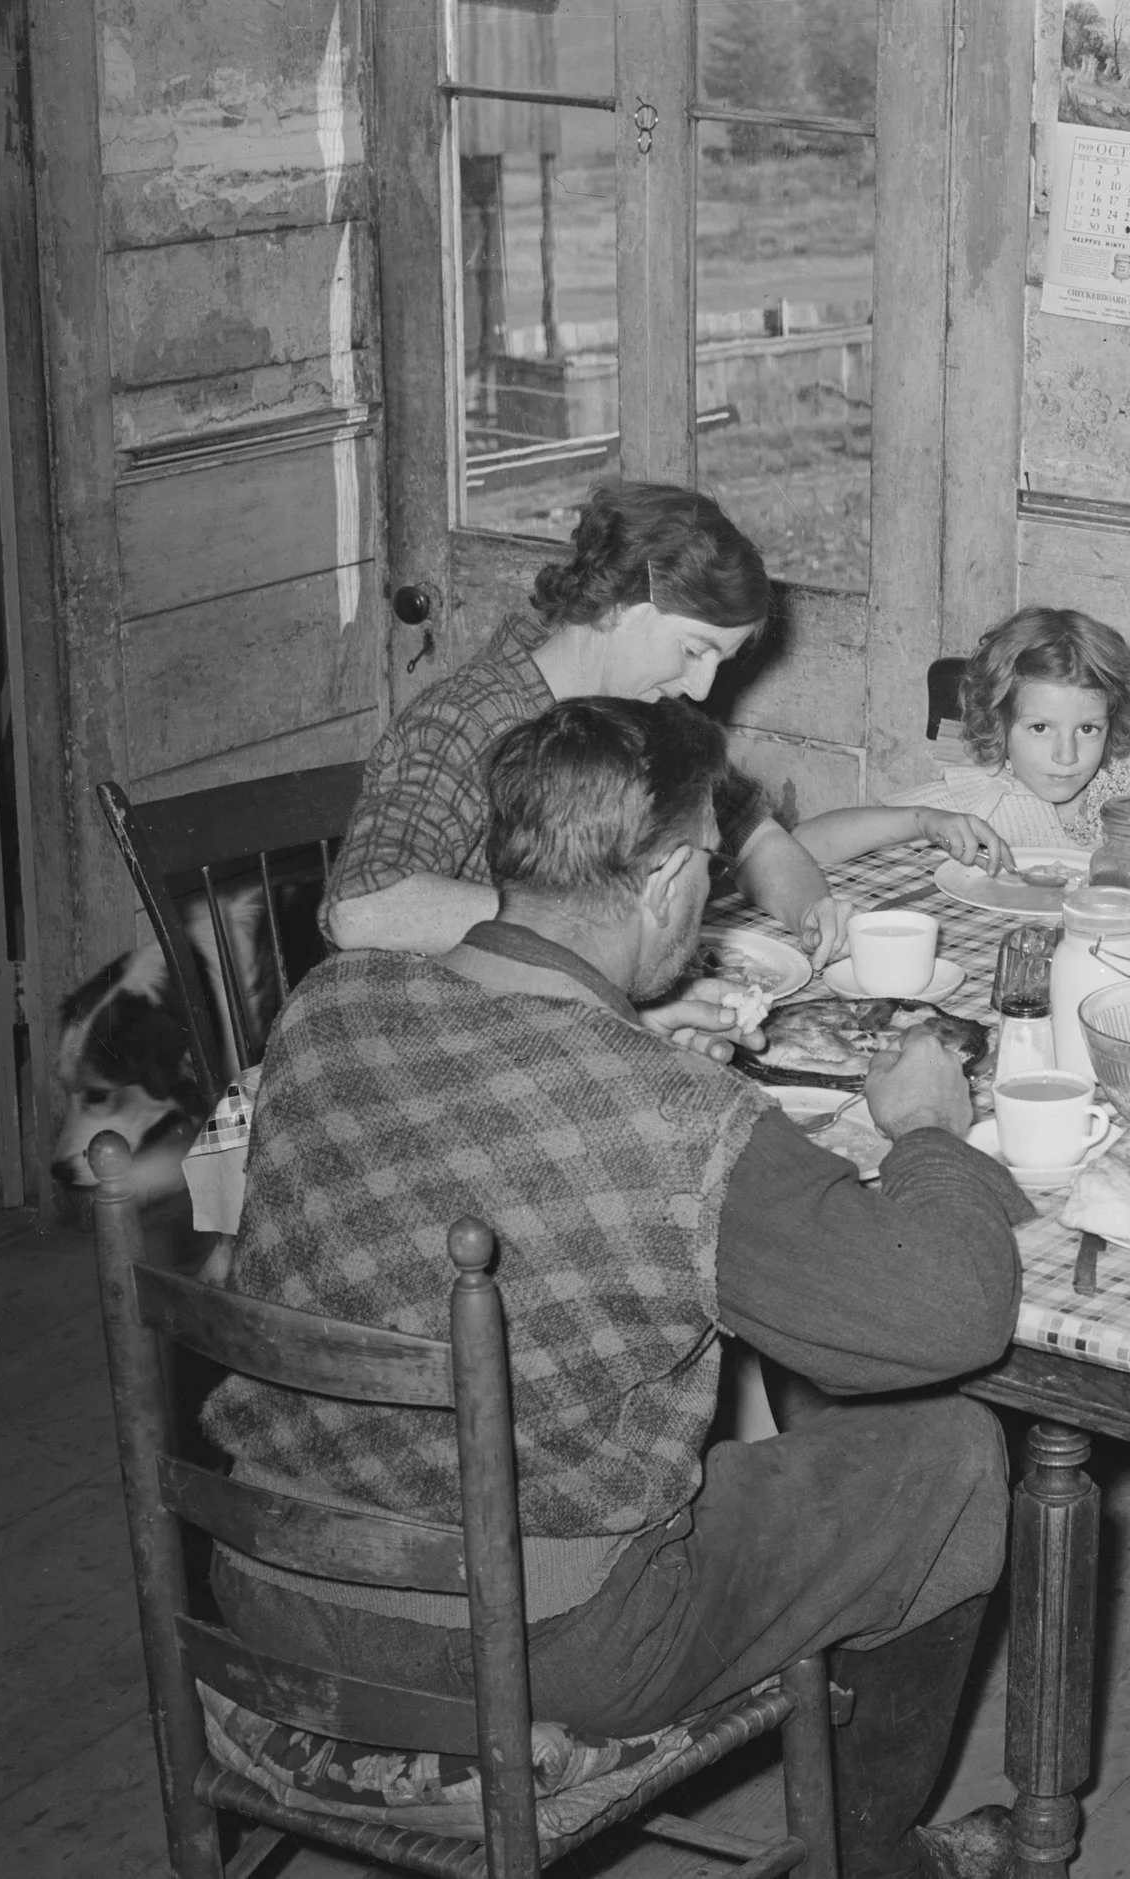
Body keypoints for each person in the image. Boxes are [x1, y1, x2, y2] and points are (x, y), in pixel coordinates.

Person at [205, 697, 1031, 1879]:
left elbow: (489, 1111)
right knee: (947, 1452)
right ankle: (878, 1861)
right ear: (661, 882)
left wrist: (631, 1027)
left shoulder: (327, 1006)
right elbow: (948, 1315)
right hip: (545, 1639)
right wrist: (928, 1133)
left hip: (272, 1583)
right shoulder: (680, 1116)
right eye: (708, 867)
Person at [325, 483, 1008, 1033]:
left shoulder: (649, 720)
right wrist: (599, 927)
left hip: (568, 1023)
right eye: (694, 648)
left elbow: (759, 838)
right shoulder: (463, 721)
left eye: (723, 658)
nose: (705, 686)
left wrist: (810, 909)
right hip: (434, 1038)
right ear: (621, 603)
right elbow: (361, 910)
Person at [814, 605, 1130, 883]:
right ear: (1000, 722)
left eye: (1087, 730)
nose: (1066, 756)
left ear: (1112, 723)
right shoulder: (987, 799)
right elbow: (806, 843)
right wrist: (922, 821)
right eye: (1039, 729)